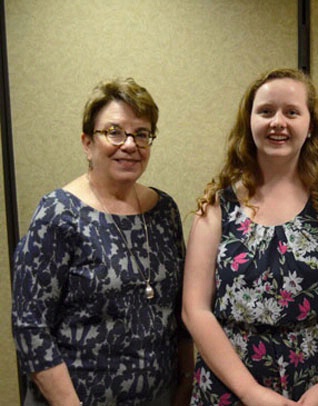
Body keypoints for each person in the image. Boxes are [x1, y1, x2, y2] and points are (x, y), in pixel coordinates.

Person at [12, 78, 193, 405]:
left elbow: (178, 313)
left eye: (142, 134)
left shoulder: (164, 210)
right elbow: (30, 328)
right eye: (114, 132)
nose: (130, 144)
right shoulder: (57, 214)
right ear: (87, 142)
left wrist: (185, 383)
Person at [182, 68, 318, 405]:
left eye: (291, 112)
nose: (278, 122)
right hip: (231, 388)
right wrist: (251, 392)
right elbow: (194, 310)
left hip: (316, 387)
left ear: (310, 125)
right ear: (250, 121)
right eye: (266, 111)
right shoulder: (219, 207)